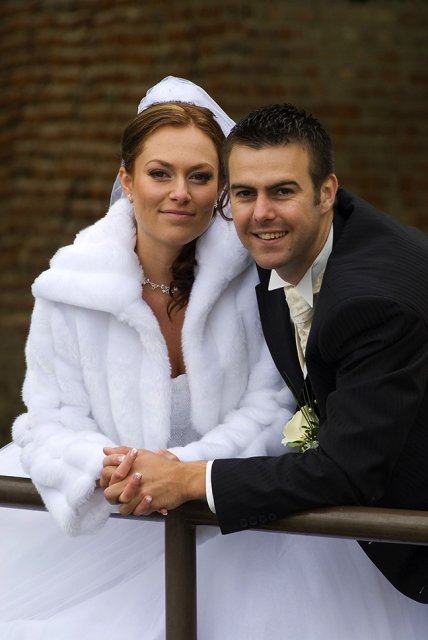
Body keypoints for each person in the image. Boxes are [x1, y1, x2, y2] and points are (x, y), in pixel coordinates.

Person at [103, 102, 428, 632]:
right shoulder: (289, 244)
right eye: (244, 194)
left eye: (282, 191)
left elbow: (349, 471)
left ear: (327, 192)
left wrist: (189, 478)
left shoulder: (374, 303)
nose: (261, 214)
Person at [0, 77, 294, 638]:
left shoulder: (259, 281)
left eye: (200, 176)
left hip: (233, 527)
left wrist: (187, 471)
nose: (180, 192)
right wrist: (107, 466)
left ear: (221, 188)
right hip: (109, 528)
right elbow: (51, 417)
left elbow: (274, 406)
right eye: (161, 173)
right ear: (127, 180)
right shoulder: (70, 288)